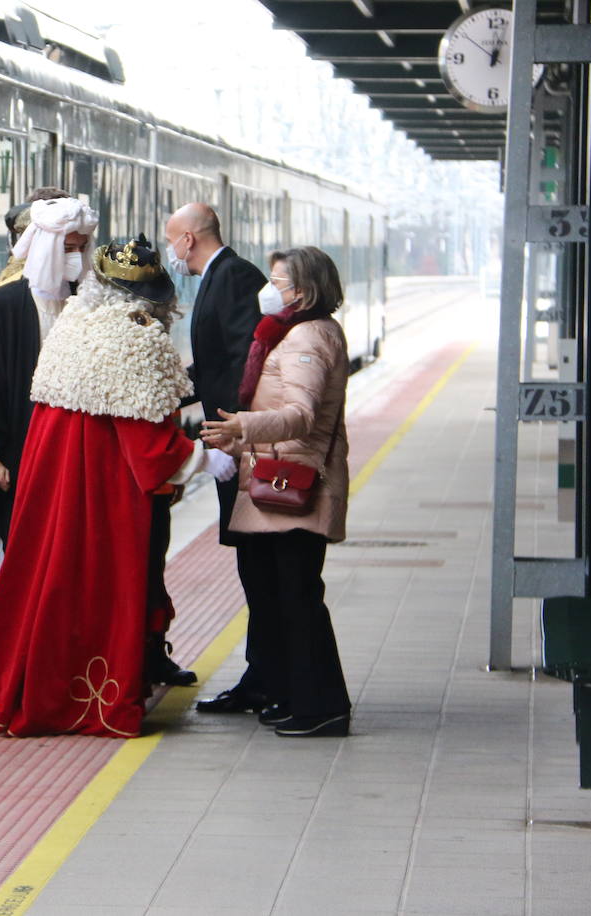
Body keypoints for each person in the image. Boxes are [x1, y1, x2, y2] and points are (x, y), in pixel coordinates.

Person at [0, 236, 233, 738]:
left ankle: (18, 689)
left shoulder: (71, 327)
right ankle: (85, 702)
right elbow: (145, 444)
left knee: (43, 584)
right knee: (97, 595)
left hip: (50, 489)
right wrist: (202, 459)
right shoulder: (138, 337)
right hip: (101, 496)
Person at [0, 190, 97, 674]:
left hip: (70, 455)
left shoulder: (86, 303)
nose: (75, 256)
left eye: (80, 247)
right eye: (67, 247)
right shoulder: (8, 302)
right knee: (4, 555)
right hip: (13, 454)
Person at [200, 246, 351, 738]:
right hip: (277, 476)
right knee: (280, 595)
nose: (269, 288)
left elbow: (302, 414)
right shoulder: (294, 331)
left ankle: (322, 705)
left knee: (298, 597)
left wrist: (242, 427)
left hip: (295, 483)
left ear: (302, 292)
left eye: (278, 280)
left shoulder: (308, 337)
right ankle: (290, 695)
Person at [162, 202, 272, 714]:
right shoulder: (221, 276)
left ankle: (265, 676)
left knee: (259, 562)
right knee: (251, 561)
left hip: (237, 438)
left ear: (188, 238)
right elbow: (211, 365)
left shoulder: (233, 277)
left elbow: (241, 363)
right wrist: (165, 391)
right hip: (230, 431)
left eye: (171, 240)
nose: (171, 252)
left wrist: (226, 433)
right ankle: (263, 672)